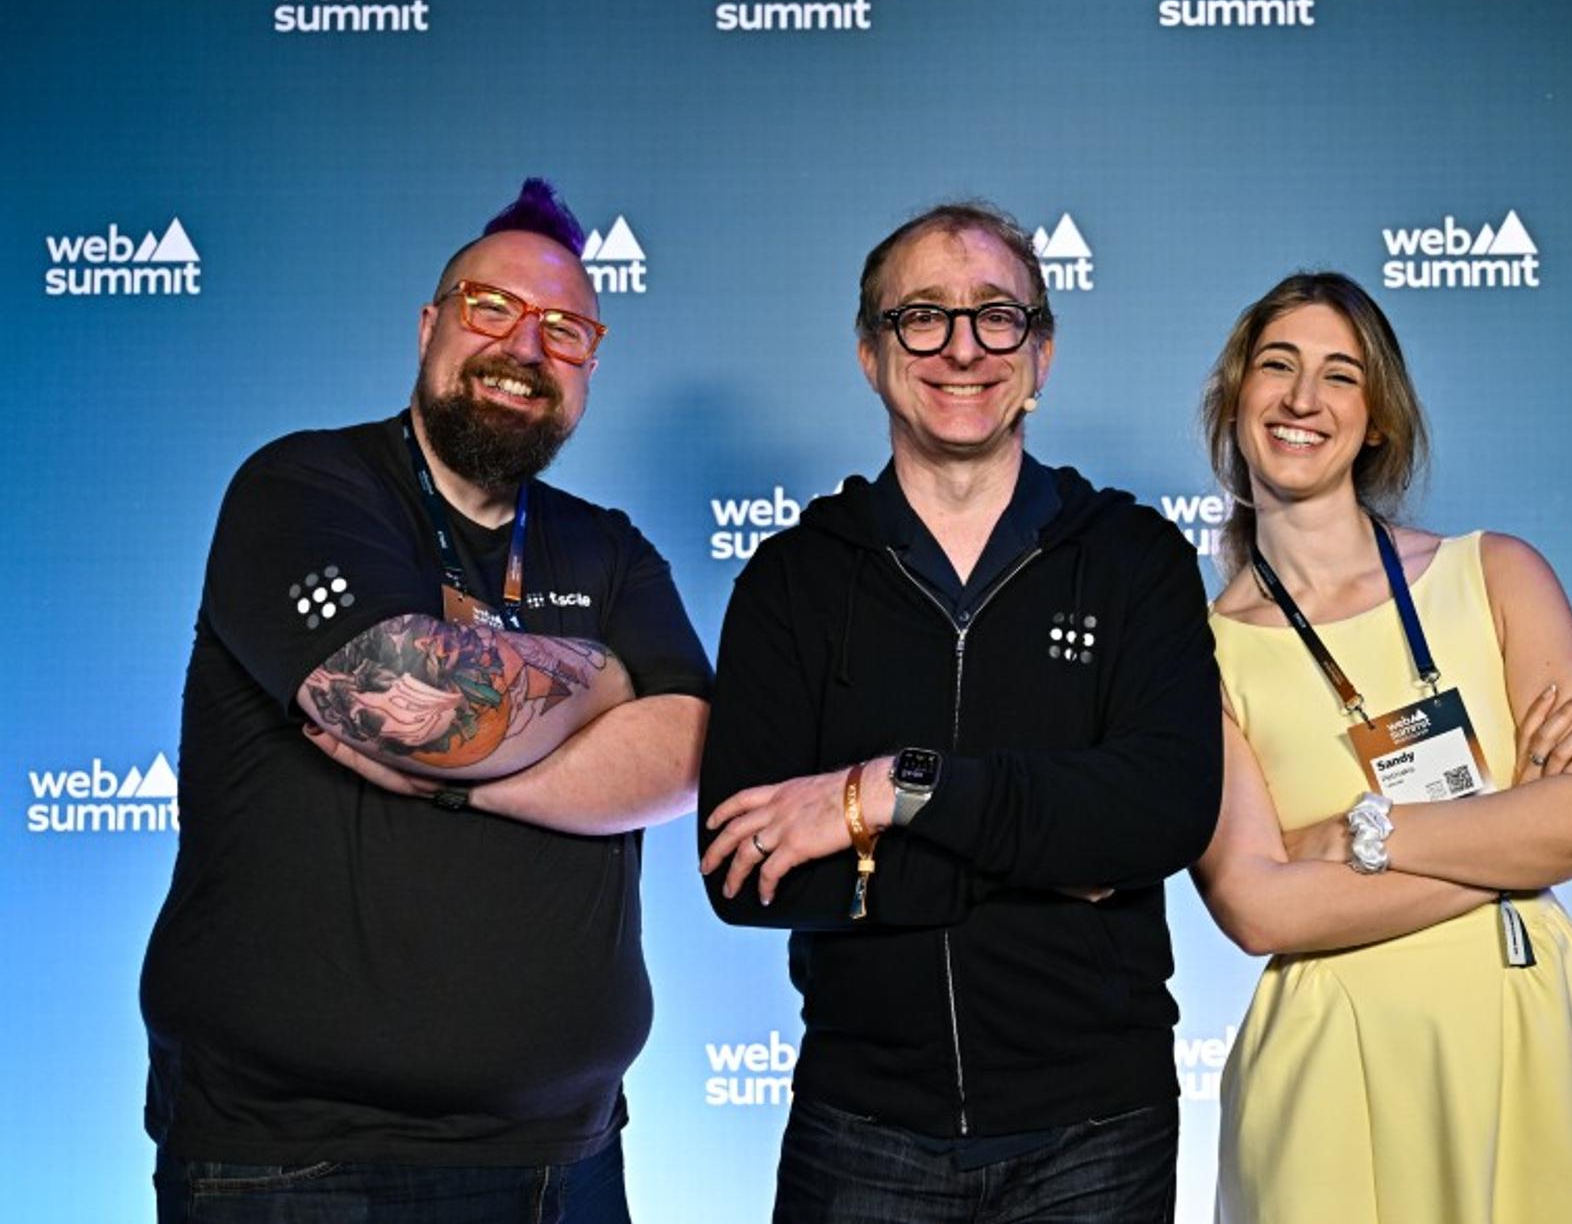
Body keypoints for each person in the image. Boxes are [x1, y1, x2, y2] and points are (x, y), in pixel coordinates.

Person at [140, 179, 712, 1222]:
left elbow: (684, 749)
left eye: (565, 330)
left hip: (563, 1157)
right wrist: (604, 678)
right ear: (429, 325)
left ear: (590, 363)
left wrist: (463, 789)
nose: (524, 348)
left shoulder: (610, 546)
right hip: (297, 1165)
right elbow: (412, 695)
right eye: (489, 308)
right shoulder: (302, 488)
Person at [696, 201, 1221, 1221]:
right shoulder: (793, 579)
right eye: (922, 316)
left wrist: (885, 793)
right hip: (861, 1131)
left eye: (996, 316)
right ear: (869, 352)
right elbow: (742, 873)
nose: (961, 348)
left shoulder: (1133, 560)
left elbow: (1159, 813)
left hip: (1096, 1135)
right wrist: (1039, 857)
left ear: (1040, 353)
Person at [1191, 272, 1572, 1223]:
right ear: (1236, 396)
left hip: (1528, 1030)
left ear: (1376, 420)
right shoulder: (1193, 655)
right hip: (1332, 1066)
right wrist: (1513, 836)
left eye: (1340, 376)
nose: (1302, 399)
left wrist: (1366, 832)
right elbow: (1256, 907)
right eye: (1277, 366)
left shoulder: (1496, 574)